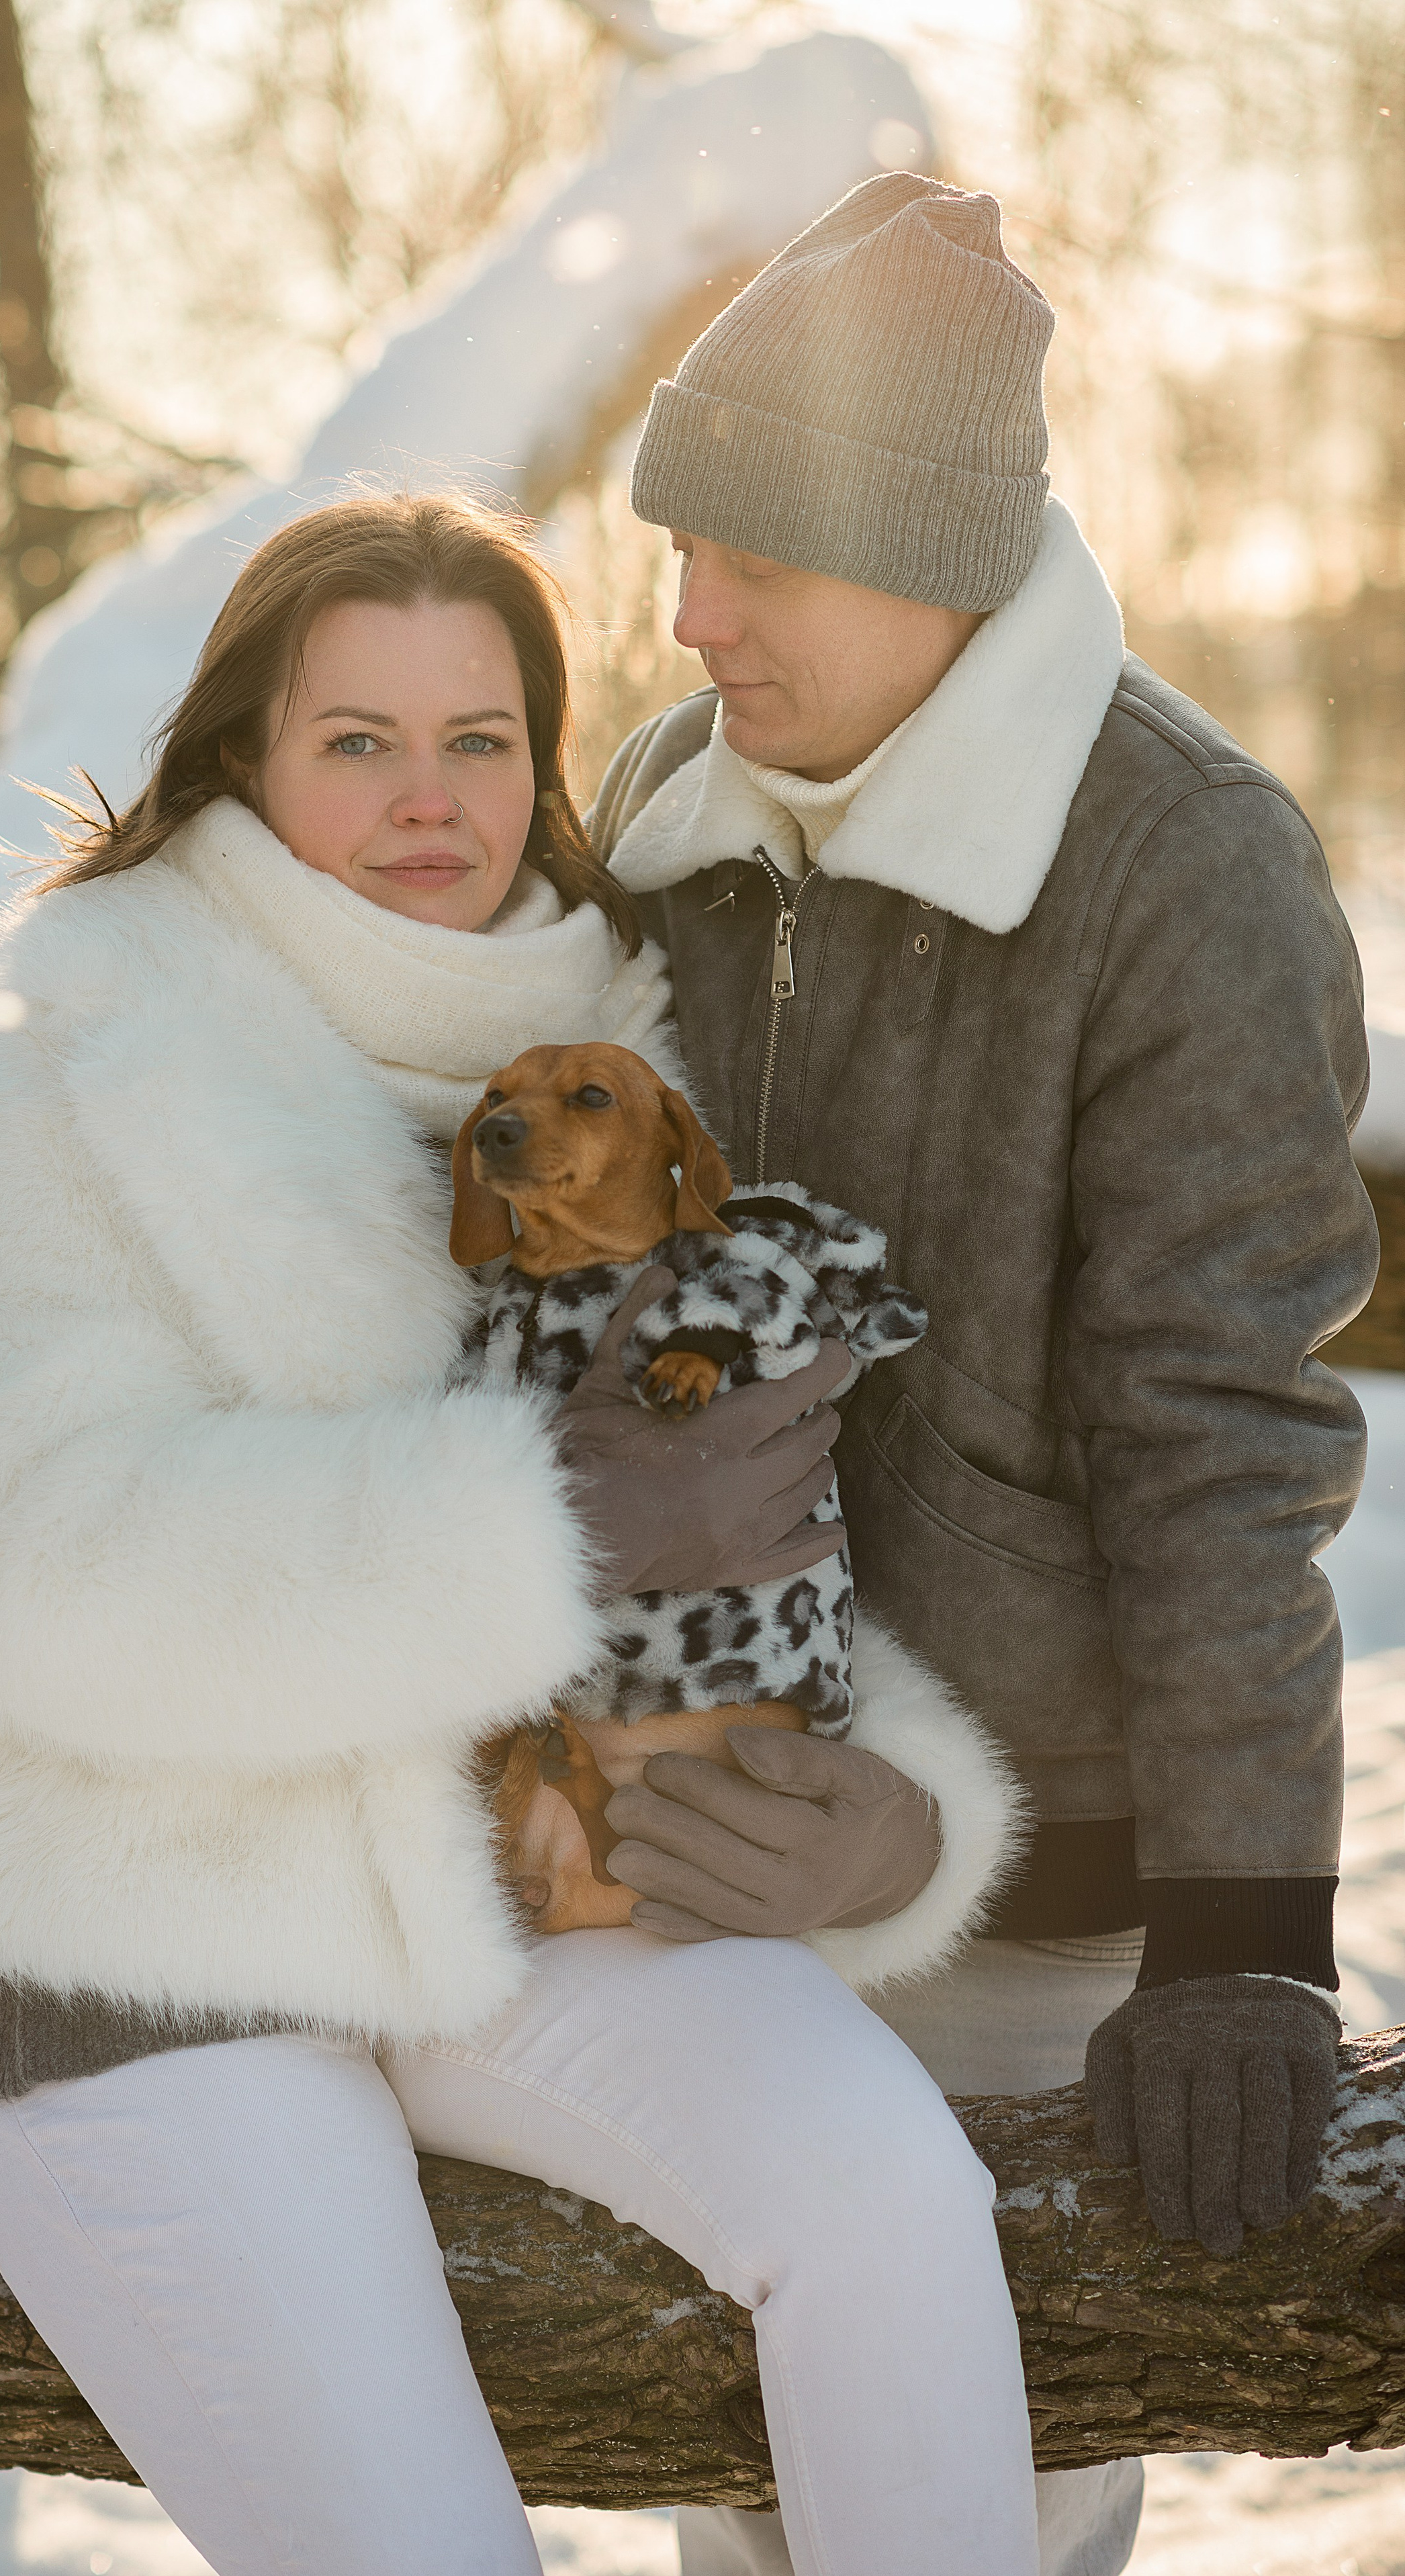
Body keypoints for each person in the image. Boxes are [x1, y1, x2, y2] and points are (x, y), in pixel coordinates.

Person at [0, 490, 1041, 2576]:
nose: (427, 798)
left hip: (522, 1882)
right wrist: (526, 1519)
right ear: (244, 758)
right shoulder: (71, 1059)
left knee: (884, 2191)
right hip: (140, 1925)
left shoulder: (605, 1065)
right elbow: (11, 1542)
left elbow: (743, 1517)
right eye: (357, 740)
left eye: (479, 738)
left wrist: (897, 1808)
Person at [582, 173, 1378, 2576]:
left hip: (1027, 1878)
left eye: (754, 557)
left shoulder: (1187, 867)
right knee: (719, 2450)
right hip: (698, 1813)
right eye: (677, 551)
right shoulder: (665, 802)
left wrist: (1244, 1939)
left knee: (978, 2498)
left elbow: (1222, 1446)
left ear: (933, 554)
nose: (692, 613)